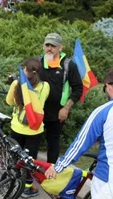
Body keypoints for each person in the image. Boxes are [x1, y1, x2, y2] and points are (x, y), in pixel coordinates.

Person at [45, 70, 113, 198]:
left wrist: (58, 167)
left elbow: (80, 143)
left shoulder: (104, 112)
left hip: (107, 181)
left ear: (109, 86)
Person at [6, 58, 50, 197]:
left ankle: (12, 181)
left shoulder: (16, 83)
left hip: (17, 128)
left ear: (25, 70)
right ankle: (27, 187)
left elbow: (9, 101)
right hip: (35, 130)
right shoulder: (45, 86)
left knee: (15, 156)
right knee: (30, 159)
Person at [38, 33, 83, 163]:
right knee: (32, 142)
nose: (49, 48)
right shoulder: (38, 63)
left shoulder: (69, 65)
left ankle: (50, 174)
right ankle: (28, 175)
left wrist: (66, 108)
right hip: (37, 111)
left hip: (57, 113)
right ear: (43, 46)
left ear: (60, 47)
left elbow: (78, 89)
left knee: (53, 143)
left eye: (53, 45)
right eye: (47, 45)